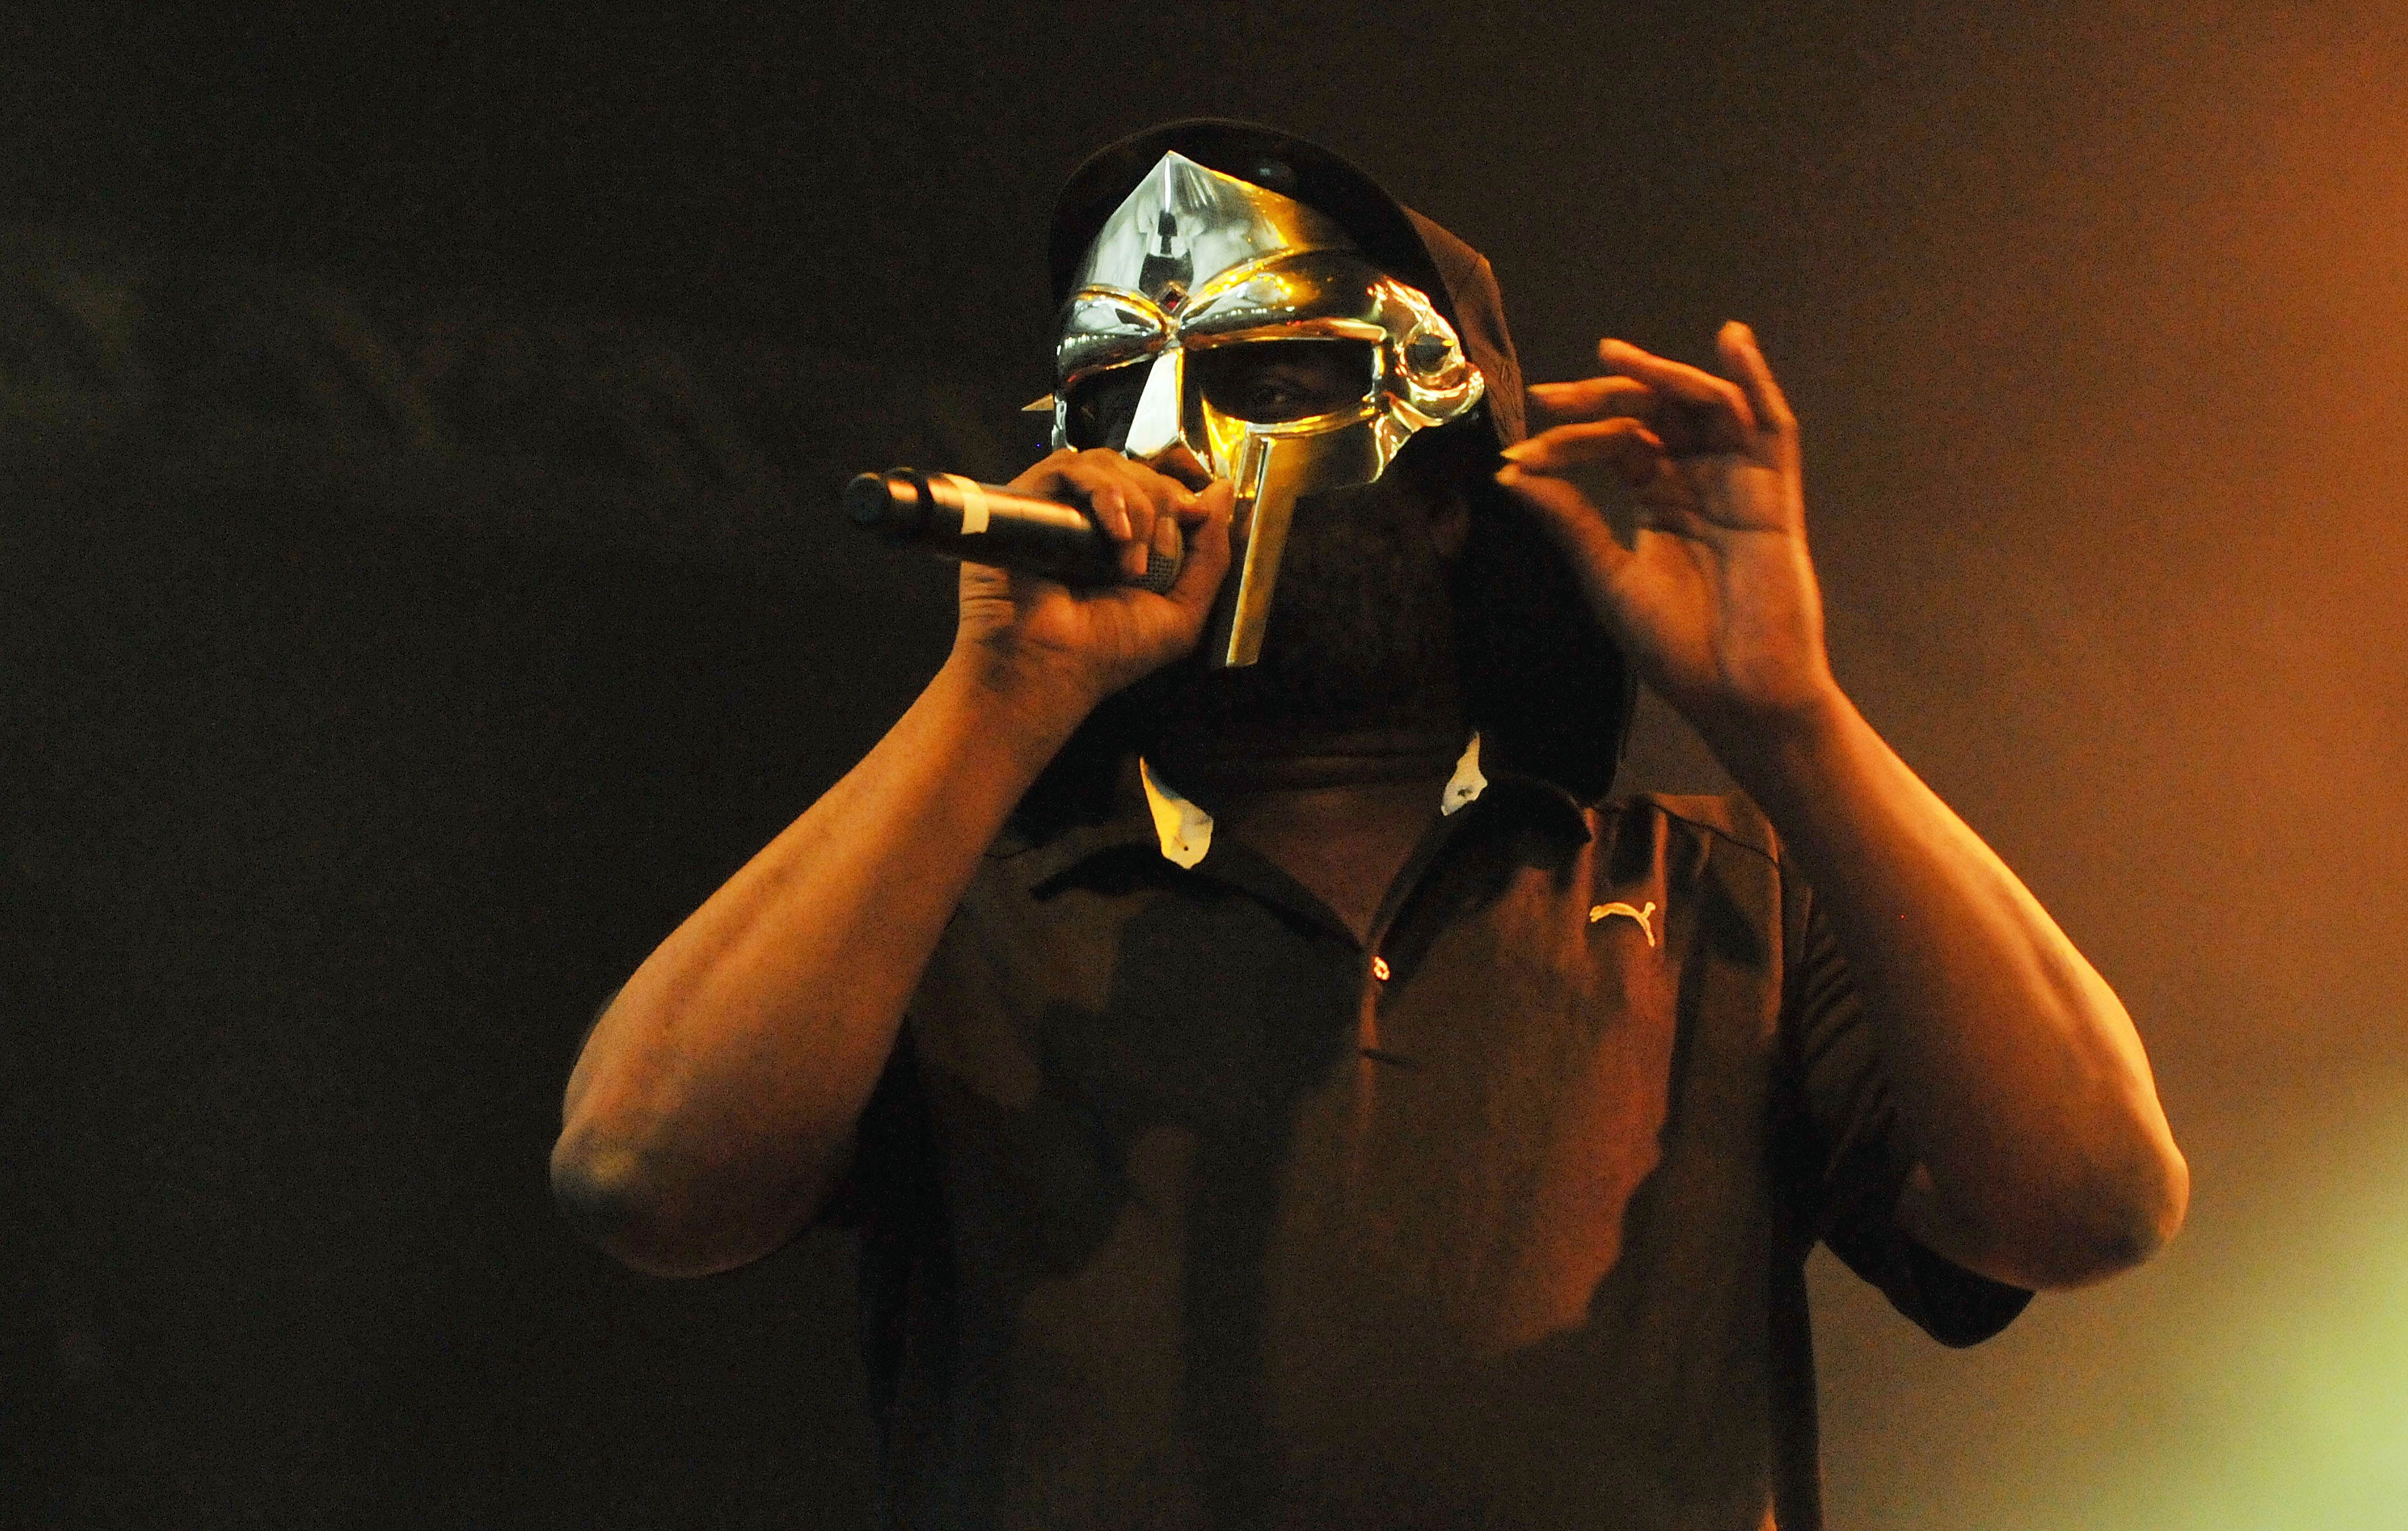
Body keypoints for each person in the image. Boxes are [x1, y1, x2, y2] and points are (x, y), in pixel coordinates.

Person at [552, 121, 2188, 1530]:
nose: (1181, 443)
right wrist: (994, 699)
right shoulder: (954, 913)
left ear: (1448, 479)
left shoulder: (1714, 894)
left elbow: (2091, 1196)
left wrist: (1787, 718)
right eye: (1118, 394)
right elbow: (640, 1172)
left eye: (1275, 377)